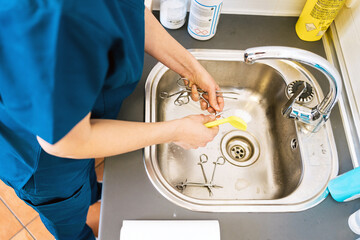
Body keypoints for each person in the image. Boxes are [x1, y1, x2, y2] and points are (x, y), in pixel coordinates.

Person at [0, 0, 224, 239]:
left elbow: (131, 12)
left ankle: (93, 194)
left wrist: (191, 68)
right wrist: (176, 131)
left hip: (77, 128)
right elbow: (67, 143)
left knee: (84, 182)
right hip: (43, 161)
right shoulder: (54, 23)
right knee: (69, 219)